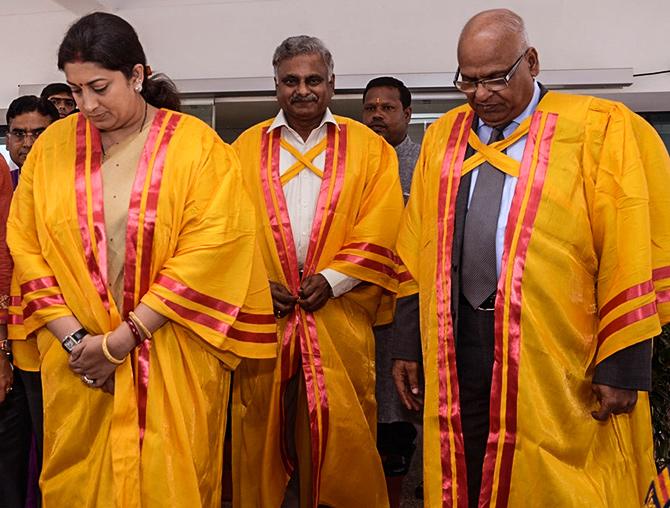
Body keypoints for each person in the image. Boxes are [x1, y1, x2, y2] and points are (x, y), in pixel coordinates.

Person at [394, 8, 670, 507]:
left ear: (533, 62)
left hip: (562, 348)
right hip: (458, 340)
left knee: (560, 479)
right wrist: (407, 344)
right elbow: (417, 247)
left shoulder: (596, 131)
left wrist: (624, 364)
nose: (482, 95)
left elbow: (629, 244)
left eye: (496, 78)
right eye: (469, 82)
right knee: (468, 464)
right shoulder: (444, 138)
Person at [7, 12, 276, 507]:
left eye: (100, 87)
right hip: (77, 361)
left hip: (168, 350)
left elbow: (213, 248)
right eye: (75, 89)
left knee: (171, 484)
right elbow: (26, 245)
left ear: (137, 75)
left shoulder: (197, 148)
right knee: (77, 486)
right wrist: (77, 340)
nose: (86, 104)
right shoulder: (51, 150)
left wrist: (125, 337)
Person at [232, 35, 404, 508]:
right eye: (291, 81)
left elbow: (382, 222)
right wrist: (254, 285)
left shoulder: (371, 149)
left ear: (332, 84)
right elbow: (226, 229)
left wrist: (333, 280)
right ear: (276, 86)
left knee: (343, 434)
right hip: (263, 320)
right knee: (259, 434)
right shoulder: (243, 150)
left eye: (313, 80)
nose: (302, 90)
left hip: (339, 317)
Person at [362, 76, 421, 507]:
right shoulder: (350, 160)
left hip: (403, 312)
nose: (377, 115)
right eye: (370, 107)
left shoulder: (423, 163)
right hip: (349, 308)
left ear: (407, 114)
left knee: (396, 425)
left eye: (387, 107)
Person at [0, 95, 58, 508]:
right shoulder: (7, 186)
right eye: (19, 133)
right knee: (11, 451)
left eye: (39, 132)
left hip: (57, 339)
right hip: (12, 338)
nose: (28, 142)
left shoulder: (72, 189)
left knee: (55, 451)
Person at [5, 96, 59, 187]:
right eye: (19, 134)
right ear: (7, 141)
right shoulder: (5, 183)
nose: (28, 143)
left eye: (39, 134)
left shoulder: (75, 183)